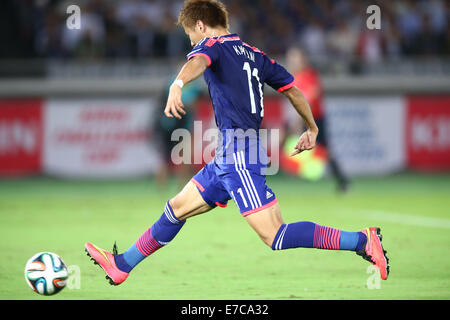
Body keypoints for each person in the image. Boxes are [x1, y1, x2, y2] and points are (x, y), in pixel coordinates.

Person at [85, 0, 389, 286]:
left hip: (240, 155)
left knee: (275, 236)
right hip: (228, 155)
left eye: (190, 34)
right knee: (176, 208)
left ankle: (362, 241)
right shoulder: (255, 54)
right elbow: (294, 90)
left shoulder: (211, 45)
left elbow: (199, 61)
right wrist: (311, 127)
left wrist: (177, 84)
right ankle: (122, 264)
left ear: (201, 26)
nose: (191, 42)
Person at [283, 46, 350, 192]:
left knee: (324, 150)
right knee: (296, 149)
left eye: (295, 58)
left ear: (303, 60)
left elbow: (311, 95)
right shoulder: (292, 78)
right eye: (290, 58)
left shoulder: (309, 75)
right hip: (301, 120)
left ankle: (342, 180)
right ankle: (305, 179)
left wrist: (300, 117)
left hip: (315, 120)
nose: (292, 61)